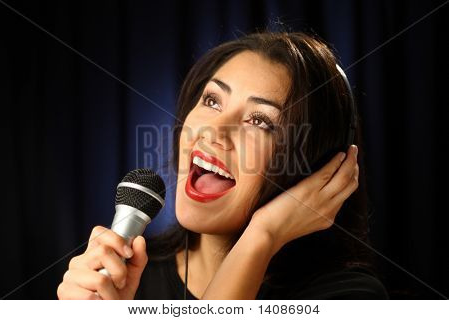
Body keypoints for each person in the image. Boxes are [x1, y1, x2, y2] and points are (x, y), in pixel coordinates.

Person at [57, 31, 388, 300]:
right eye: (212, 100)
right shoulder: (124, 279)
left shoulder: (348, 297)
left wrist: (264, 233)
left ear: (316, 169)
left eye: (260, 121)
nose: (213, 130)